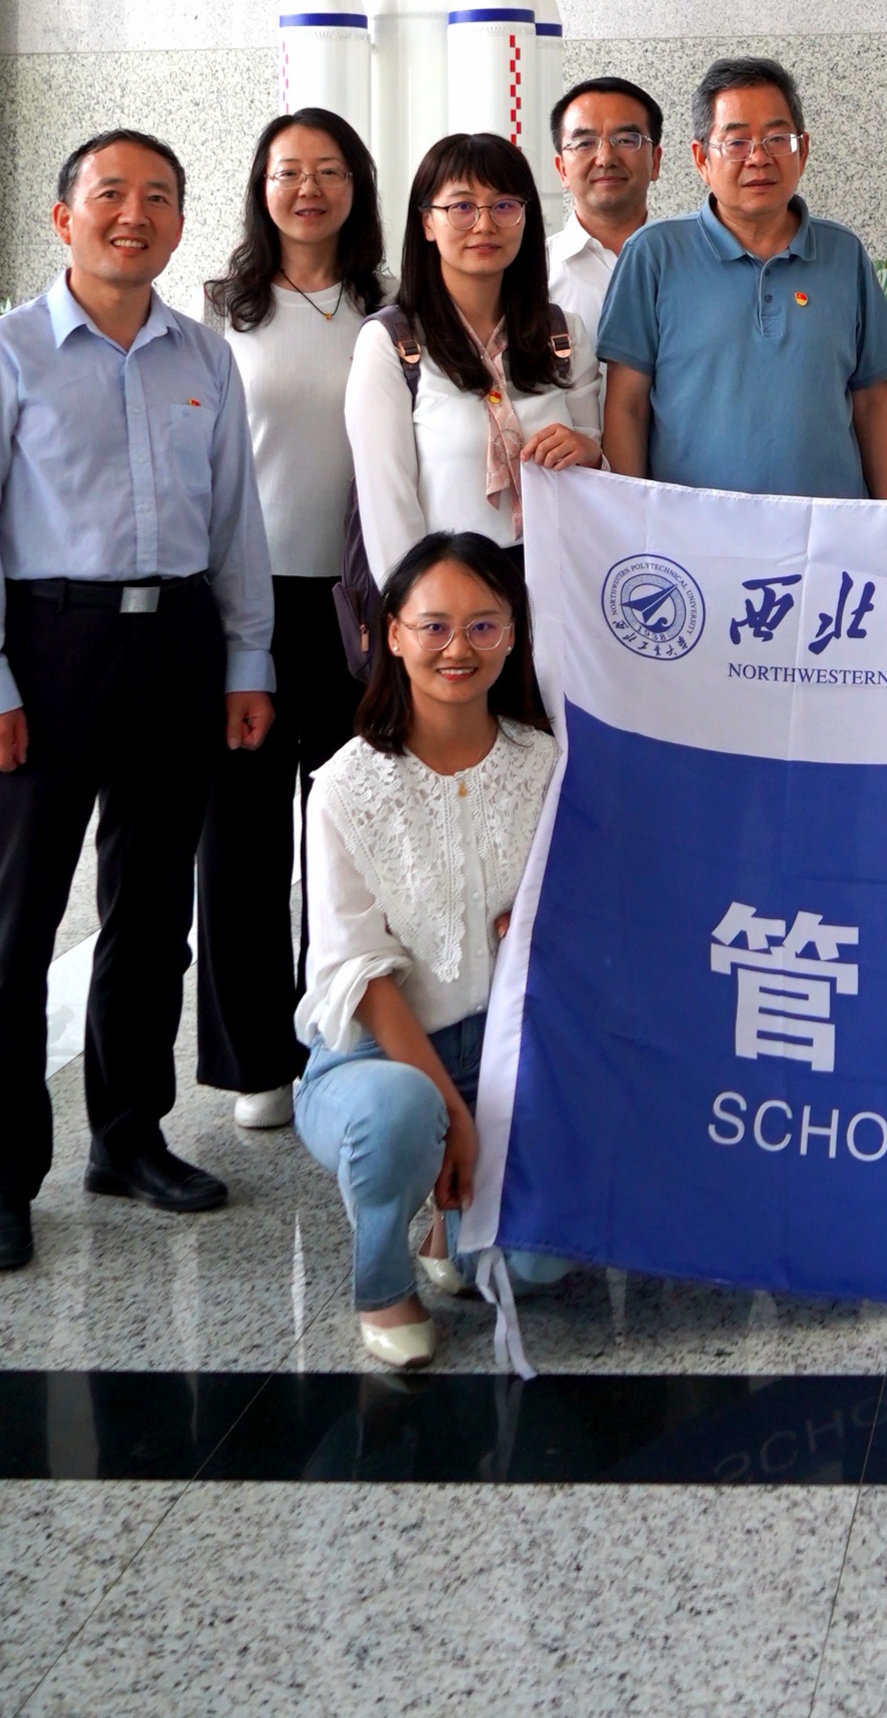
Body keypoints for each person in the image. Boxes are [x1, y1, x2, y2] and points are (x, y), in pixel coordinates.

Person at [0, 131, 275, 1275]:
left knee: (152, 913)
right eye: (111, 193)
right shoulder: (2, 355)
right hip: (50, 644)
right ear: (63, 216)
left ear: (180, 220)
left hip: (176, 641)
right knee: (13, 924)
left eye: (159, 196)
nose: (136, 213)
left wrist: (246, 661)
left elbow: (236, 520)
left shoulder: (203, 354)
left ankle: (127, 1135)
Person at [293, 531, 558, 1368]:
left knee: (540, 1262)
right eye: (434, 625)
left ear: (512, 634)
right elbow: (363, 977)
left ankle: (453, 1231)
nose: (458, 648)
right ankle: (383, 1285)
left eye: (483, 625)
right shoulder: (345, 786)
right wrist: (454, 1116)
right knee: (401, 1115)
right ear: (391, 634)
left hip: (506, 1054)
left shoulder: (547, 763)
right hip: (377, 1059)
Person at [197, 107, 388, 1136]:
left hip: (363, 601)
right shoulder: (219, 312)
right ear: (261, 187)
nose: (307, 188)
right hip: (249, 601)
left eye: (328, 170)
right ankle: (252, 1056)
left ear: (357, 185)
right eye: (287, 170)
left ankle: (340, 1027)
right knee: (241, 836)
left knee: (354, 829)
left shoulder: (391, 309)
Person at [598, 56, 887, 497]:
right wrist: (634, 521)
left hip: (828, 528)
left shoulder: (843, 254)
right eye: (736, 142)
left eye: (777, 139)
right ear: (701, 158)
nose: (759, 158)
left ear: (803, 149)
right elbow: (627, 407)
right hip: (695, 530)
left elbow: (873, 402)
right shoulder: (653, 255)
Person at [347, 134, 602, 589]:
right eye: (462, 207)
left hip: (560, 583)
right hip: (446, 591)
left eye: (504, 206)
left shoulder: (563, 335)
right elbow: (387, 503)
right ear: (427, 222)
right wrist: (419, 610)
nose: (484, 224)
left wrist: (588, 452)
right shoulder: (392, 343)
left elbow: (600, 474)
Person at [546, 74, 664, 336]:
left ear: (655, 161)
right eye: (585, 143)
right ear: (562, 169)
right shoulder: (533, 274)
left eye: (625, 140)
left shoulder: (691, 265)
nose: (606, 158)